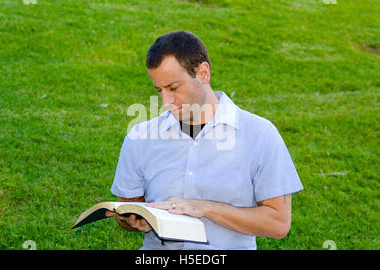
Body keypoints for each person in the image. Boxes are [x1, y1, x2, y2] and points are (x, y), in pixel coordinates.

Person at [107, 30, 303, 250]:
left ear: (203, 73)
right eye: (159, 90)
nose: (166, 101)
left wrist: (205, 208)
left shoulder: (260, 134)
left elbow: (278, 223)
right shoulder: (140, 137)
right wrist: (130, 219)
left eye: (173, 88)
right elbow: (127, 212)